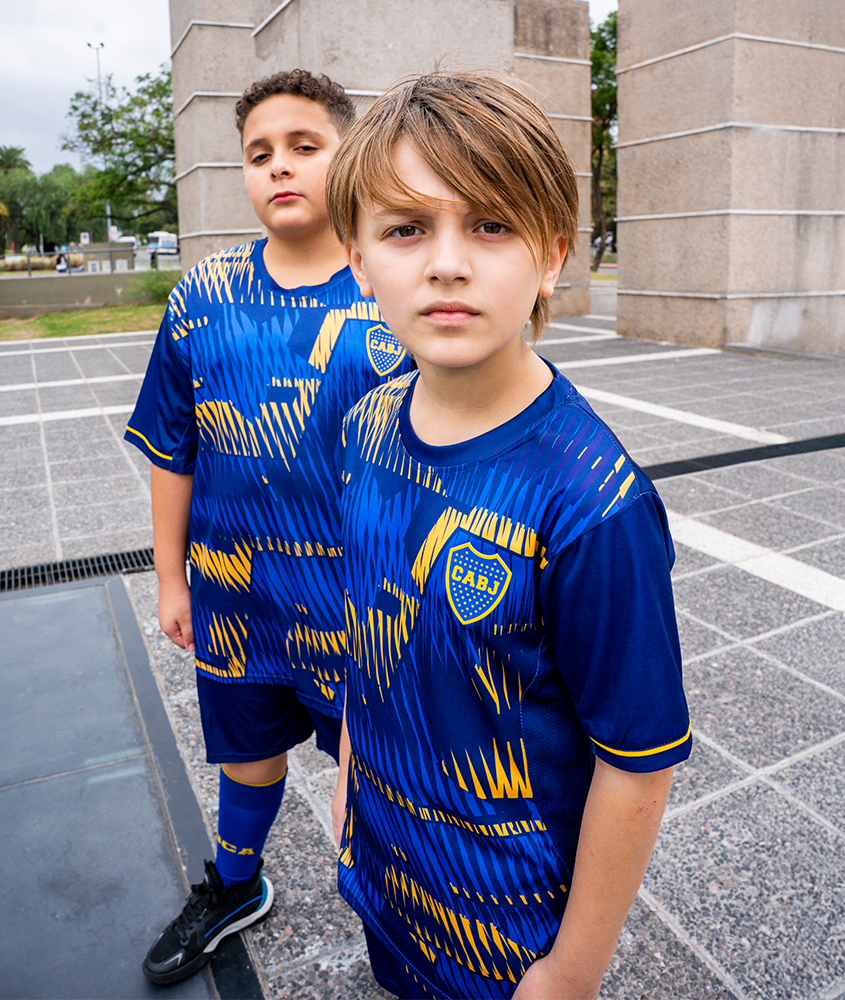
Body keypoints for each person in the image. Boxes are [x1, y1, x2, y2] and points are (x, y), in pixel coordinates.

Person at [326, 72, 692, 1000]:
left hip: (510, 936)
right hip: (387, 874)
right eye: (406, 228)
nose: (447, 263)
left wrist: (572, 970)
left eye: (491, 225)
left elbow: (637, 763)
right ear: (360, 261)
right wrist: (353, 773)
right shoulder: (364, 424)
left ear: (552, 255)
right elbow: (371, 623)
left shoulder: (592, 505)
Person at [124, 68, 406, 986]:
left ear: (348, 156)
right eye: (258, 154)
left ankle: (399, 915)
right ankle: (237, 886)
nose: (278, 167)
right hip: (236, 593)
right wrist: (172, 579)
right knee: (245, 757)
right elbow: (174, 449)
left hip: (364, 607)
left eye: (303, 146)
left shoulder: (391, 290)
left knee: (375, 777)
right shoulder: (202, 296)